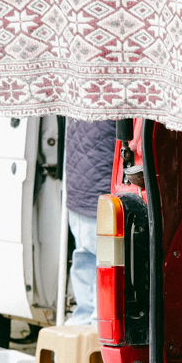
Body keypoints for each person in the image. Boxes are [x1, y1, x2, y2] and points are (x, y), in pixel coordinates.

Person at [63, 119, 115, 326]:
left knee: (84, 258)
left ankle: (82, 327)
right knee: (105, 265)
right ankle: (97, 333)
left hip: (78, 191)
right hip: (102, 193)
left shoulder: (80, 95)